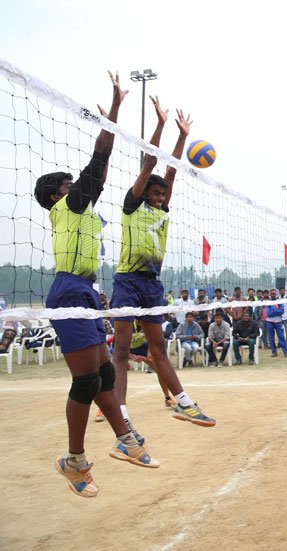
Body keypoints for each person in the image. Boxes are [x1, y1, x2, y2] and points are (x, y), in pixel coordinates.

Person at [34, 72, 158, 497]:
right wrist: (115, 114)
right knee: (87, 381)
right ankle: (74, 460)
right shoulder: (67, 207)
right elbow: (97, 167)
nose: (75, 186)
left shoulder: (80, 211)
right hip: (68, 291)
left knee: (104, 372)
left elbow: (95, 177)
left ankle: (125, 440)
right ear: (57, 195)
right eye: (67, 184)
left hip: (84, 291)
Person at [108, 96, 215, 432]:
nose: (161, 195)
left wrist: (183, 136)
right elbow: (151, 164)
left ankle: (183, 403)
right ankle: (120, 414)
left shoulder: (163, 209)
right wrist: (161, 124)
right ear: (145, 192)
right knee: (122, 351)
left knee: (159, 349)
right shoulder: (132, 205)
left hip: (152, 285)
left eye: (163, 194)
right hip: (127, 280)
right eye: (156, 192)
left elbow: (171, 168)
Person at [264, 289, 287, 358]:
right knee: (271, 338)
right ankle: (274, 352)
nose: (273, 295)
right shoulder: (268, 302)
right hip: (269, 322)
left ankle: (285, 351)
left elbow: (282, 311)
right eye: (271, 294)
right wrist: (276, 310)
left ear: (276, 294)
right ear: (270, 294)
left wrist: (273, 310)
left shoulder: (279, 301)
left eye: (274, 294)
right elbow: (268, 313)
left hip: (278, 321)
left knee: (281, 336)